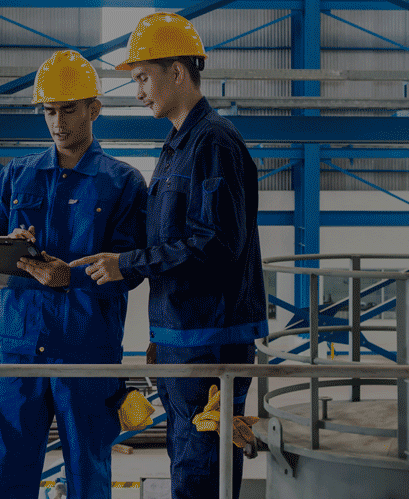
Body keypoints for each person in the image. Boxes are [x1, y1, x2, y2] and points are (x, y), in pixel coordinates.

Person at [68, 12, 268, 499]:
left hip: (210, 342)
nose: (138, 91)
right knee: (188, 461)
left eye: (142, 78)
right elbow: (175, 240)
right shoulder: (178, 145)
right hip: (185, 336)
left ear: (177, 72)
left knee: (202, 472)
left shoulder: (213, 143)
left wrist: (126, 263)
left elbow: (216, 245)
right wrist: (160, 333)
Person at [0, 49, 148, 499]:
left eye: (68, 110)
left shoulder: (123, 183)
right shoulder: (18, 175)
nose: (57, 122)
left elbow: (132, 267)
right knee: (6, 470)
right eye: (49, 111)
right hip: (21, 347)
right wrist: (11, 244)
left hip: (87, 350)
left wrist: (70, 279)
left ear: (95, 109)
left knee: (88, 474)